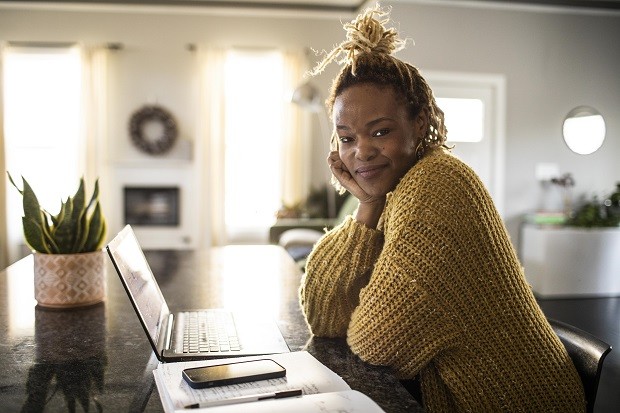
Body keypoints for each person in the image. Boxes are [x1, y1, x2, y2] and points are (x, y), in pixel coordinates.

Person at [298, 5, 586, 412]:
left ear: (418, 125)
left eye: (380, 131)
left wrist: (363, 307)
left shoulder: (437, 185)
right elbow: (325, 316)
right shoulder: (395, 192)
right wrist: (366, 205)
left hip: (519, 401)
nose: (361, 151)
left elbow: (375, 340)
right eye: (346, 137)